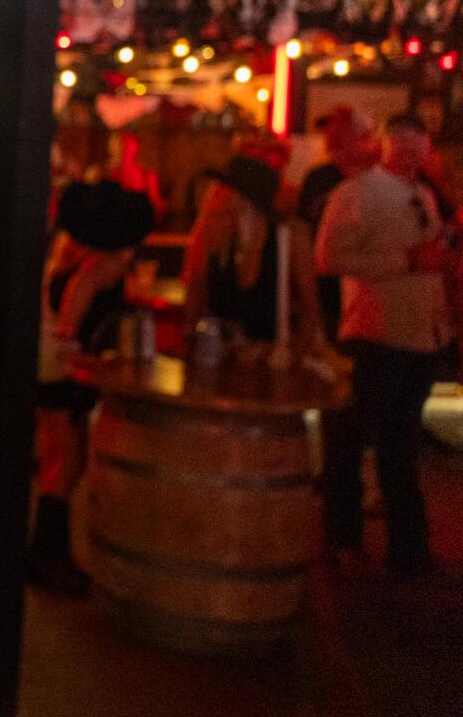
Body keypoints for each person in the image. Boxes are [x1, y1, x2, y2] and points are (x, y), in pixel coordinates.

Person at [316, 113, 453, 578]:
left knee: (400, 443)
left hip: (421, 333)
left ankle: (409, 549)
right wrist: (406, 261)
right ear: (384, 144)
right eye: (403, 142)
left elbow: (430, 257)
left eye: (420, 143)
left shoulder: (425, 194)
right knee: (352, 441)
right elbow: (328, 258)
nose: (412, 151)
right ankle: (342, 540)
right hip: (375, 333)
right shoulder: (355, 193)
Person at [30, 180, 154, 596]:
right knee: (68, 461)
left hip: (46, 360)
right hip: (58, 366)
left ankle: (46, 554)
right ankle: (45, 558)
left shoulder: (78, 253)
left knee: (58, 459)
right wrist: (82, 355)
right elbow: (71, 320)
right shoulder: (102, 265)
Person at [182, 153, 322, 358]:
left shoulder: (290, 237)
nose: (219, 195)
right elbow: (196, 290)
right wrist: (190, 338)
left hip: (272, 362)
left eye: (227, 189)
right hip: (222, 360)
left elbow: (310, 310)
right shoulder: (217, 232)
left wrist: (291, 358)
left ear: (244, 197)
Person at [297, 107, 379, 344]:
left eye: (340, 132)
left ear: (364, 138)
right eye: (329, 132)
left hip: (364, 290)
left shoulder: (377, 179)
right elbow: (304, 230)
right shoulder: (317, 177)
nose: (331, 139)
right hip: (324, 286)